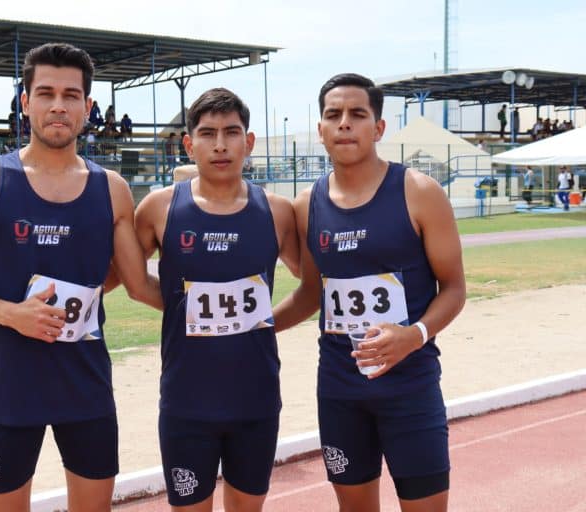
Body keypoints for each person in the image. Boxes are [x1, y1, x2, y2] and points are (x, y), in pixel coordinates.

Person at [0, 42, 162, 512]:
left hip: (87, 388)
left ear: (88, 107)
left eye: (72, 95)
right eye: (46, 93)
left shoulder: (112, 189)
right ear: (25, 102)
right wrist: (12, 314)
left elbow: (132, 282)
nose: (59, 105)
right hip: (8, 391)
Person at [273, 73, 466, 512]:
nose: (344, 124)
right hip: (340, 391)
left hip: (410, 388)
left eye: (357, 114)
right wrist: (258, 328)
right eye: (333, 115)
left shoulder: (418, 192)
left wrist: (414, 335)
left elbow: (454, 288)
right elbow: (311, 292)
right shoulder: (308, 204)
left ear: (378, 128)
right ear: (320, 129)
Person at [134, 88, 299, 511]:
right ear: (189, 144)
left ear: (249, 141)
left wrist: (264, 320)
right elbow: (133, 282)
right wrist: (181, 306)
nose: (221, 144)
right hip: (187, 402)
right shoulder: (158, 208)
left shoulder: (277, 211)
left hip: (256, 401)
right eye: (207, 133)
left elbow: (314, 286)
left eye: (231, 132)